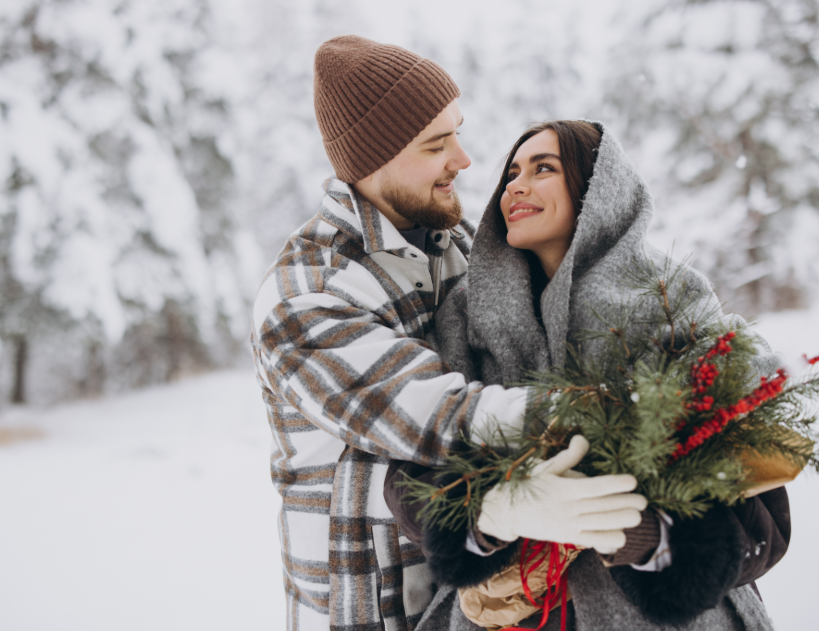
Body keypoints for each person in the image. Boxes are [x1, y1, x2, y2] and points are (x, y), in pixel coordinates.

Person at [251, 39, 643, 631]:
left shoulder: (459, 243)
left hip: (469, 602)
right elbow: (440, 413)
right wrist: (624, 417)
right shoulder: (305, 295)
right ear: (370, 162)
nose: (463, 158)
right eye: (436, 145)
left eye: (457, 132)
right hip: (373, 611)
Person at [384, 120, 791, 631]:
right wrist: (493, 513)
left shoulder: (675, 298)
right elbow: (413, 469)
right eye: (511, 172)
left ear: (599, 189)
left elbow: (761, 519)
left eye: (543, 168)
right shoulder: (464, 316)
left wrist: (645, 534)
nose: (515, 185)